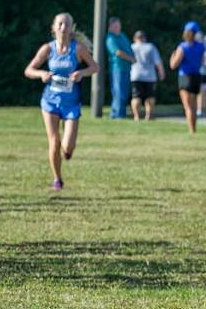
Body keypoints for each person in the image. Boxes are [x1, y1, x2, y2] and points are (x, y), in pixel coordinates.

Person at [24, 13, 99, 189]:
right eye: (60, 24)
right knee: (54, 141)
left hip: (71, 103)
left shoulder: (78, 49)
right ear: (54, 27)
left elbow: (95, 67)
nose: (63, 28)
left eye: (66, 24)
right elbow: (29, 70)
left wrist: (82, 73)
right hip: (50, 101)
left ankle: (67, 153)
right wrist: (41, 74)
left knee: (67, 147)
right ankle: (57, 179)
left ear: (71, 28)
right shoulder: (48, 49)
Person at [169, 21, 206, 134]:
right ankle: (194, 128)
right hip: (196, 76)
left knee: (188, 107)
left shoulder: (182, 47)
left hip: (185, 76)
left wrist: (172, 56)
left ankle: (191, 130)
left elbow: (173, 65)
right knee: (194, 106)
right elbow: (203, 62)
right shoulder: (201, 46)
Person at [130, 30, 164, 121]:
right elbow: (158, 62)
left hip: (135, 75)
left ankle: (136, 116)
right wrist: (161, 72)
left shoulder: (131, 47)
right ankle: (148, 116)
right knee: (150, 97)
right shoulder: (150, 47)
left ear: (135, 38)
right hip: (150, 76)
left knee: (135, 96)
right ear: (145, 38)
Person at [105, 17, 134, 119]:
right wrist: (131, 58)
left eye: (118, 26)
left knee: (124, 92)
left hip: (126, 68)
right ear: (110, 27)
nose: (117, 28)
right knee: (118, 92)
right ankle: (116, 114)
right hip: (117, 68)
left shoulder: (122, 36)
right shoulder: (110, 38)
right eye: (115, 26)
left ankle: (121, 113)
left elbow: (129, 48)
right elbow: (117, 52)